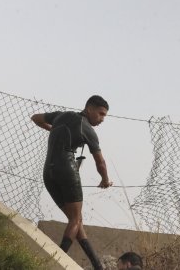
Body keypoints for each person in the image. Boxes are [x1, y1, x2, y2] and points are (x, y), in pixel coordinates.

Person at [31, 95, 112, 270]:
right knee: (75, 219)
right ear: (89, 108)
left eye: (104, 115)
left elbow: (35, 118)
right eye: (100, 114)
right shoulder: (88, 129)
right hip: (67, 170)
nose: (102, 119)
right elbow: (101, 162)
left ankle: (97, 265)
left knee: (76, 220)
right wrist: (105, 180)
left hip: (48, 172)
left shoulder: (61, 115)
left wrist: (53, 129)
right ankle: (56, 260)